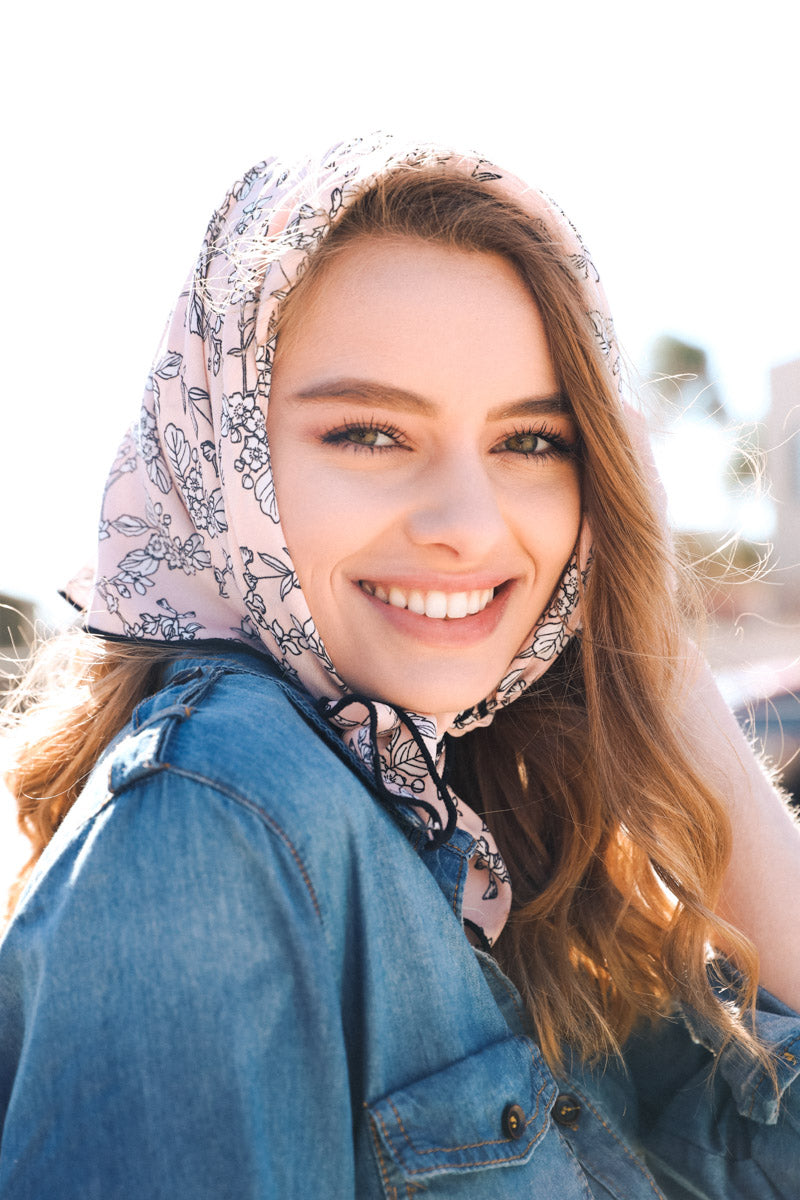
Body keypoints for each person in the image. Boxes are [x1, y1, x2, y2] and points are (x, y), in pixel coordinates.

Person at [1, 134, 799, 1199]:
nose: (469, 525)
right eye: (371, 434)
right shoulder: (221, 810)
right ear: (221, 461)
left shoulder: (481, 823)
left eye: (532, 443)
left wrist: (641, 631)